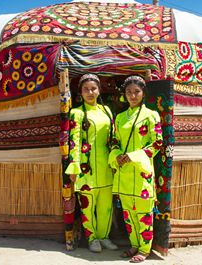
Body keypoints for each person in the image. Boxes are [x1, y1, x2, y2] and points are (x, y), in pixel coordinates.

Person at [109, 76, 163, 263]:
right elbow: (114, 141)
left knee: (143, 213)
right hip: (124, 171)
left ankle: (144, 249)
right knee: (128, 213)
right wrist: (116, 155)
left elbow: (157, 143)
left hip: (142, 172)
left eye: (136, 92)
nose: (133, 95)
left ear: (143, 93)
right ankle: (134, 244)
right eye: (129, 92)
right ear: (124, 94)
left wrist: (133, 156)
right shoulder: (120, 117)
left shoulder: (151, 115)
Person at [65, 74, 118, 253]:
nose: (90, 92)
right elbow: (74, 141)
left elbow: (113, 138)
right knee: (88, 207)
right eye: (86, 89)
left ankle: (104, 236)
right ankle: (92, 238)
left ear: (99, 90)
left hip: (106, 167)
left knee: (106, 206)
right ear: (80, 92)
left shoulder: (107, 111)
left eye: (93, 88)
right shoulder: (77, 113)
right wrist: (74, 166)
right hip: (86, 169)